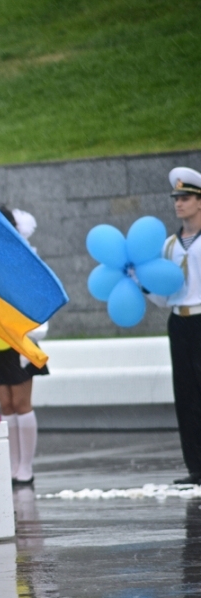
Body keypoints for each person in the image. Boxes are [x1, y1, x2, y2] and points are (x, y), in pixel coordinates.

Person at [145, 167, 201, 485]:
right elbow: (165, 297)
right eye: (176, 198)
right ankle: (196, 466)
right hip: (179, 322)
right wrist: (141, 285)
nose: (179, 203)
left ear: (200, 201)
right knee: (187, 395)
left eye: (186, 197)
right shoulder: (169, 245)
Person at [0, 206, 48, 487]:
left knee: (21, 403)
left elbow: (37, 299)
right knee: (5, 404)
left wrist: (30, 335)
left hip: (20, 337)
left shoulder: (26, 259)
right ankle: (12, 465)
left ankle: (26, 466)